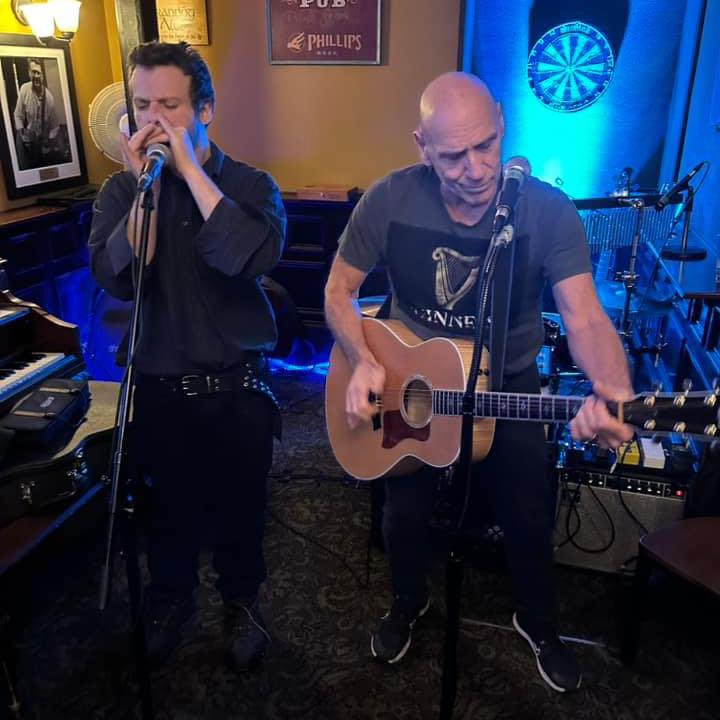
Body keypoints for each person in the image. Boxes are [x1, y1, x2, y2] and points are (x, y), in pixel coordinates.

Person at [324, 72, 634, 692]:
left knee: (527, 510)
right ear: (422, 146)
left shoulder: (546, 210)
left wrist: (613, 391)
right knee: (403, 515)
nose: (476, 169)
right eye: (453, 156)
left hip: (507, 382)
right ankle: (408, 601)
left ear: (501, 122)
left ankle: (537, 621)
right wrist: (362, 359)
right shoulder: (389, 200)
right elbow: (338, 291)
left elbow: (584, 315)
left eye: (486, 145)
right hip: (408, 380)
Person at [89, 41, 286, 671]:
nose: (154, 120)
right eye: (142, 105)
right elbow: (119, 277)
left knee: (241, 511)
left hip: (238, 387)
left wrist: (191, 172)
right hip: (160, 384)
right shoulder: (121, 192)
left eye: (169, 106)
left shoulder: (251, 185)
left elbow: (245, 257)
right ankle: (170, 602)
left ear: (205, 110)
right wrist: (140, 186)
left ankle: (241, 603)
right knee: (167, 513)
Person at [13, 58, 60, 169]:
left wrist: (48, 141)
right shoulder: (24, 89)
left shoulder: (49, 99)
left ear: (43, 75)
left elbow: (55, 126)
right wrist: (22, 132)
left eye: (39, 73)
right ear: (29, 73)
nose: (36, 76)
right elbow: (18, 115)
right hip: (27, 136)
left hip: (42, 141)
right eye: (33, 72)